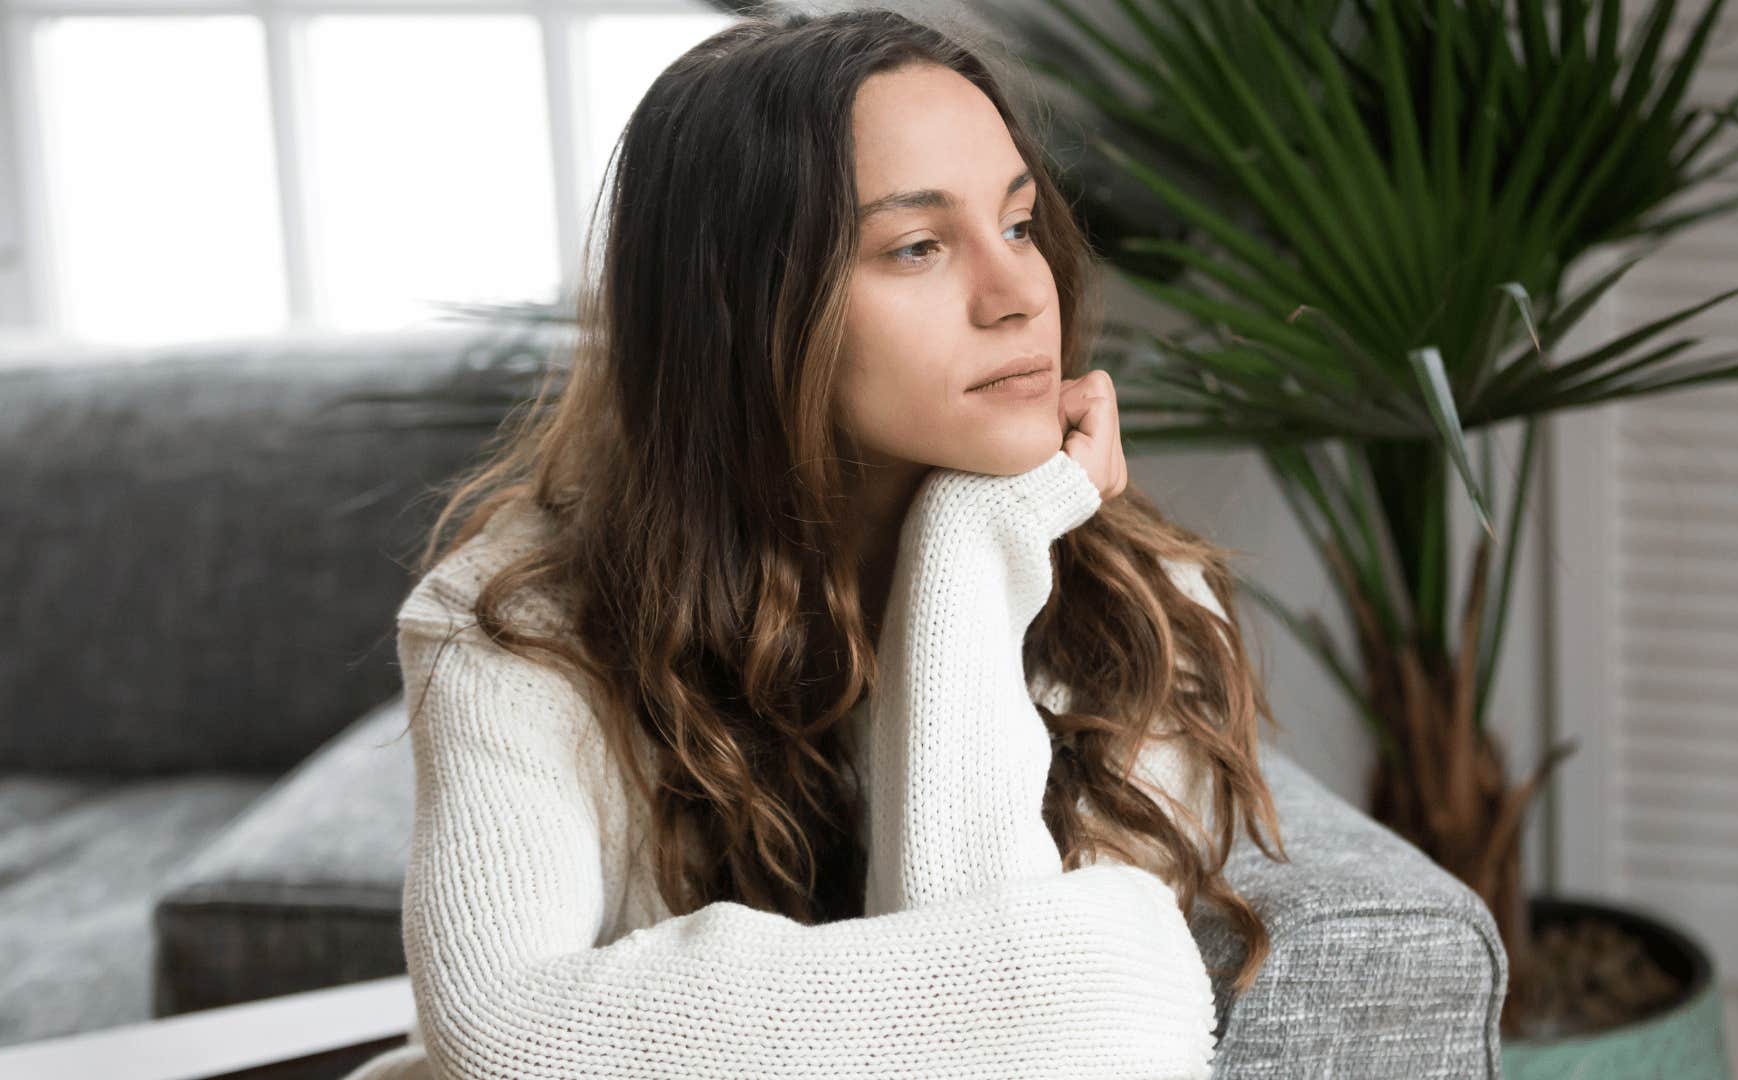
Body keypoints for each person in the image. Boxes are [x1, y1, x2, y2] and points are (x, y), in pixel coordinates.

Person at [344, 6, 1287, 1077]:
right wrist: (1104, 971)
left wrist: (972, 556)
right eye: (918, 247)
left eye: (1020, 225)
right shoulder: (513, 629)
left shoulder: (1137, 605)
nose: (1020, 292)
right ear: (744, 316)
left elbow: (1021, 1054)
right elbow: (505, 1035)